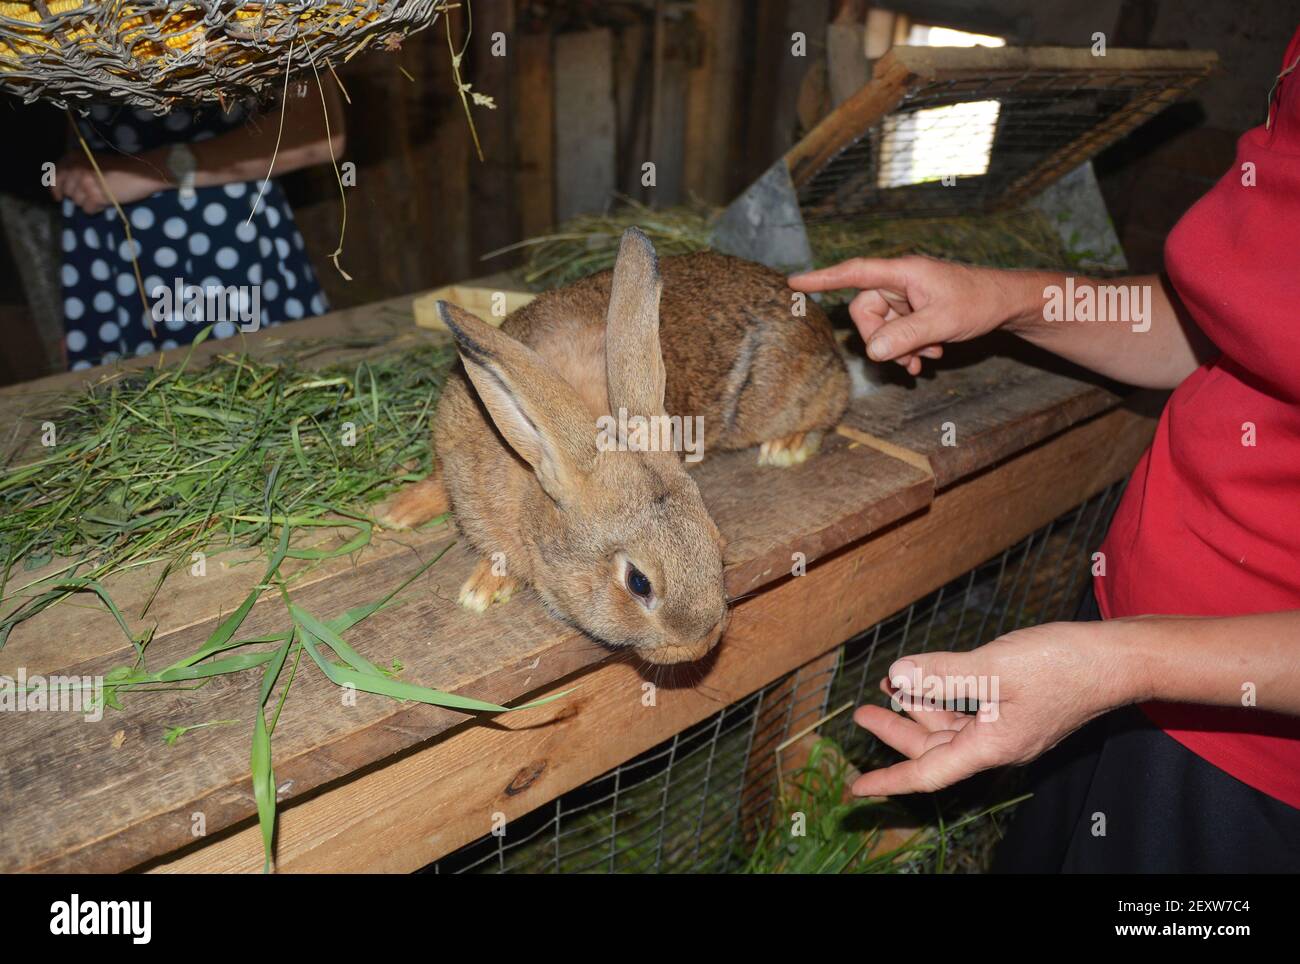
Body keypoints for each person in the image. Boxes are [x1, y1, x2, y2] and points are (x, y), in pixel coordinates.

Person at [790, 26, 1300, 872]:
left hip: (1253, 764)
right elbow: (1220, 328)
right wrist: (1006, 298)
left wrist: (1115, 669)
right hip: (1132, 634)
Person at [49, 85, 345, 370]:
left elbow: (321, 131)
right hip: (108, 238)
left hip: (224, 233)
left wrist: (147, 171)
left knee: (249, 384)